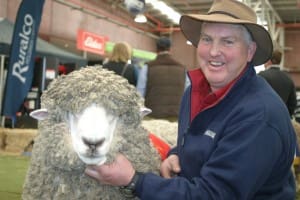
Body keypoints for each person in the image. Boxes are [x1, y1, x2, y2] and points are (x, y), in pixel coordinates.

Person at [85, 0, 297, 199]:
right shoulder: (194, 92)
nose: (214, 51)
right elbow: (196, 143)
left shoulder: (258, 116)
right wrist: (177, 154)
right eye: (207, 39)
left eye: (228, 41)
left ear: (250, 51)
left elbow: (213, 195)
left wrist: (134, 180)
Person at [137, 36, 186, 118]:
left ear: (156, 49)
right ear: (170, 49)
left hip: (153, 116)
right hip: (176, 116)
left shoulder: (148, 67)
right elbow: (187, 93)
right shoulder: (182, 68)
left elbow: (140, 93)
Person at [258, 50, 297, 117]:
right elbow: (292, 104)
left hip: (263, 118)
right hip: (281, 119)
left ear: (269, 61)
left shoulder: (261, 76)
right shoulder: (288, 78)